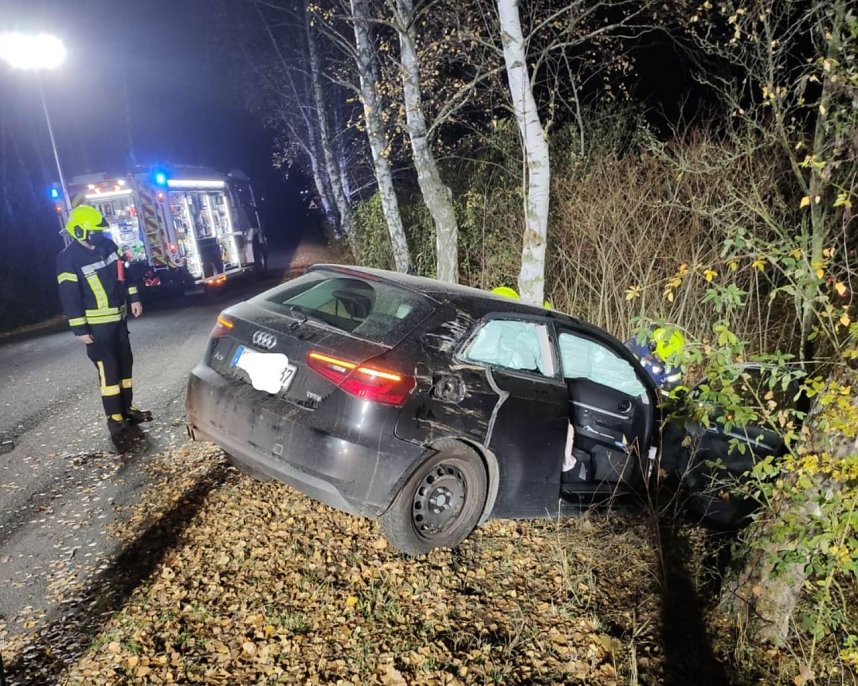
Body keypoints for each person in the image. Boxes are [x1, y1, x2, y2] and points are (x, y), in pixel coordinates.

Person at [57, 204, 152, 447]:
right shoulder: (68, 259)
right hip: (97, 329)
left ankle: (127, 409)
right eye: (93, 233)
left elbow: (124, 274)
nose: (98, 237)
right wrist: (80, 328)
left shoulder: (108, 246)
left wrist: (134, 298)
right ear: (79, 231)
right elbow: (70, 296)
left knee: (125, 366)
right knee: (109, 372)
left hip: (119, 321)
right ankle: (115, 420)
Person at [625, 326, 686, 394]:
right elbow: (622, 365)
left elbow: (674, 386)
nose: (659, 361)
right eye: (659, 357)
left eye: (664, 361)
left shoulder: (673, 362)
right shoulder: (637, 344)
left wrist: (677, 392)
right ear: (654, 346)